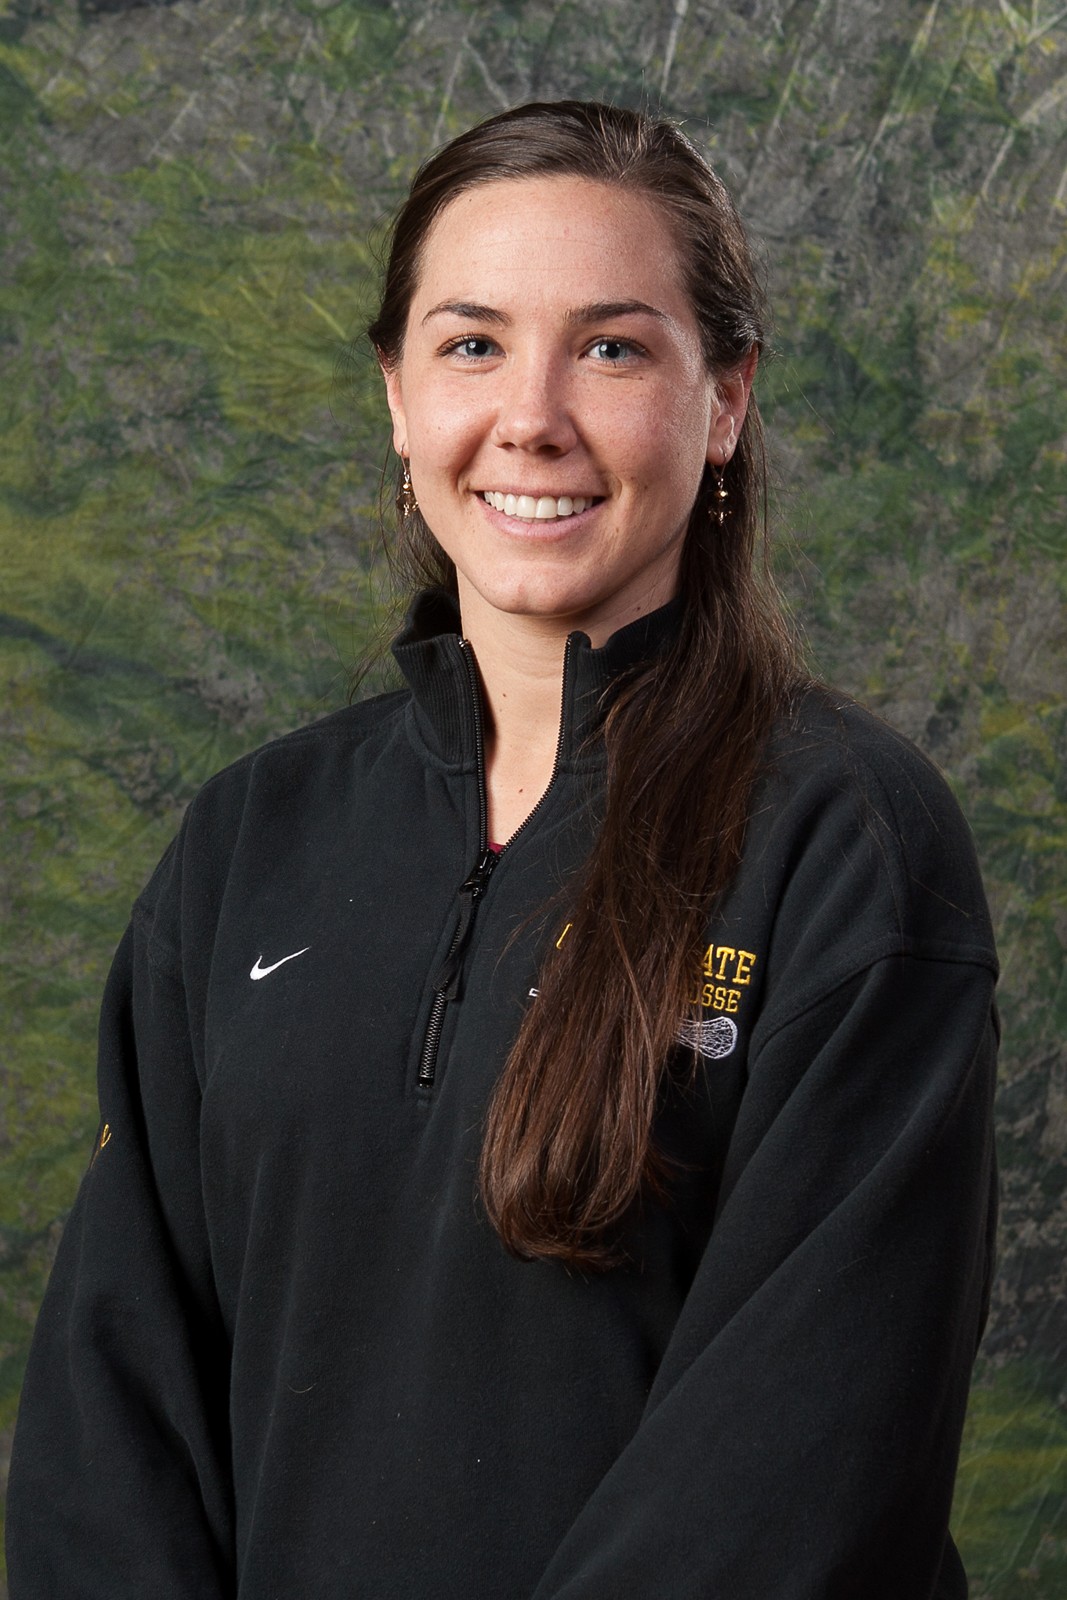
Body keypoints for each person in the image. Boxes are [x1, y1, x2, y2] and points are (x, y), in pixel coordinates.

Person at [7, 101, 998, 1599]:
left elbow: (800, 1476)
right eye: (472, 344)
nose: (532, 417)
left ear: (724, 401)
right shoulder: (250, 842)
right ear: (397, 398)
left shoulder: (848, 845)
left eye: (611, 349)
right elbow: (112, 1421)